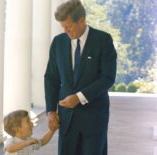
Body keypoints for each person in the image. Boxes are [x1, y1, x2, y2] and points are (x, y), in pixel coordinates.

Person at [44, 0, 117, 155]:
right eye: (62, 26)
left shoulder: (103, 40)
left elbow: (107, 78)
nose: (65, 30)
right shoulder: (58, 42)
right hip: (67, 119)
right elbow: (51, 77)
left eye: (69, 26)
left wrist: (79, 97)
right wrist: (51, 111)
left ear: (82, 20)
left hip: (94, 117)